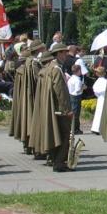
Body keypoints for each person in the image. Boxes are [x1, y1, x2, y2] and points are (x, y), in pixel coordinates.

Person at [35, 42, 72, 172]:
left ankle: (54, 159)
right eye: (63, 52)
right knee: (64, 136)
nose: (65, 55)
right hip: (59, 109)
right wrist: (67, 110)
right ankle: (59, 163)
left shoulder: (49, 68)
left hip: (52, 108)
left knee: (55, 134)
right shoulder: (56, 69)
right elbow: (60, 91)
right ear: (58, 54)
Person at [67, 56, 85, 135]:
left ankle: (72, 127)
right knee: (76, 114)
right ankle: (75, 129)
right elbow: (78, 90)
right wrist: (83, 87)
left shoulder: (71, 78)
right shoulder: (77, 80)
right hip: (76, 97)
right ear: (78, 71)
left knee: (73, 112)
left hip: (70, 96)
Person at [90, 66, 107, 133]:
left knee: (98, 113)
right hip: (104, 98)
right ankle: (101, 128)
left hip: (100, 98)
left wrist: (98, 95)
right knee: (103, 113)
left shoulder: (97, 82)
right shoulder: (106, 81)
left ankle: (95, 127)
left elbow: (95, 90)